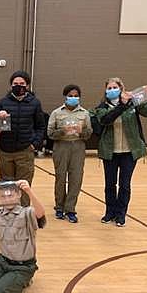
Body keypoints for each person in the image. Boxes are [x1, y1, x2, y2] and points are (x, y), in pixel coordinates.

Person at [94, 78, 147, 227]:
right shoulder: (102, 107)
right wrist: (122, 106)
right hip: (110, 152)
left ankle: (121, 214)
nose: (112, 89)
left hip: (129, 152)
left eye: (115, 87)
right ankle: (110, 212)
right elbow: (106, 120)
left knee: (124, 185)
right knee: (110, 185)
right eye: (109, 87)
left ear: (121, 89)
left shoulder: (134, 103)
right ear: (106, 91)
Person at [0, 179, 46, 293]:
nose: (7, 199)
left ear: (19, 194)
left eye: (11, 195)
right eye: (3, 196)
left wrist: (29, 192)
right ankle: (6, 276)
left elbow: (40, 213)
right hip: (4, 261)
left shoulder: (26, 213)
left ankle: (25, 278)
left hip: (23, 266)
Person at [0, 70, 45, 206]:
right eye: (15, 83)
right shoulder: (3, 102)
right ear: (11, 85)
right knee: (7, 185)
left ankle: (23, 214)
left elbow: (40, 127)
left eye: (22, 83)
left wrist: (34, 144)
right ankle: (7, 212)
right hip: (5, 151)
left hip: (25, 151)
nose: (18, 86)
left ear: (27, 85)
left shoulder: (35, 103)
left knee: (24, 186)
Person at [47, 84, 92, 223]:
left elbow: (89, 133)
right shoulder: (57, 113)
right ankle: (59, 207)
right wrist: (63, 130)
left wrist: (81, 131)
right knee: (60, 178)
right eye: (70, 96)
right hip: (61, 146)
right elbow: (50, 133)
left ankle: (70, 209)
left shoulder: (84, 113)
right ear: (65, 97)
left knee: (76, 179)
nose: (73, 98)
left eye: (76, 96)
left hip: (77, 146)